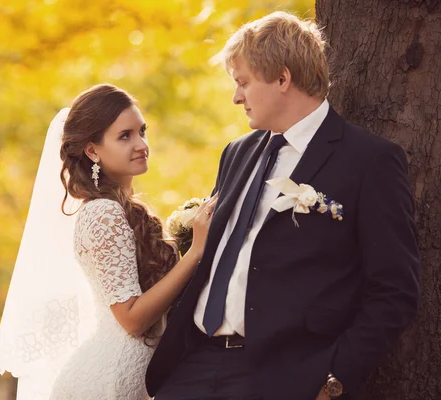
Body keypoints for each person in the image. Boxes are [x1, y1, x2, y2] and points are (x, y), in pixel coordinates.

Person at [146, 11, 421, 400]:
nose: (235, 96)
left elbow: (394, 289)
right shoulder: (236, 153)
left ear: (282, 79)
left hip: (285, 379)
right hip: (194, 367)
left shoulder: (369, 160)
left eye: (242, 82)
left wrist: (333, 379)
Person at [0, 84, 217, 399]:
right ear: (92, 150)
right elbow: (132, 318)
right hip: (106, 385)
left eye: (142, 131)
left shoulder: (126, 209)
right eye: (125, 136)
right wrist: (195, 253)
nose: (141, 144)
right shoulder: (102, 214)